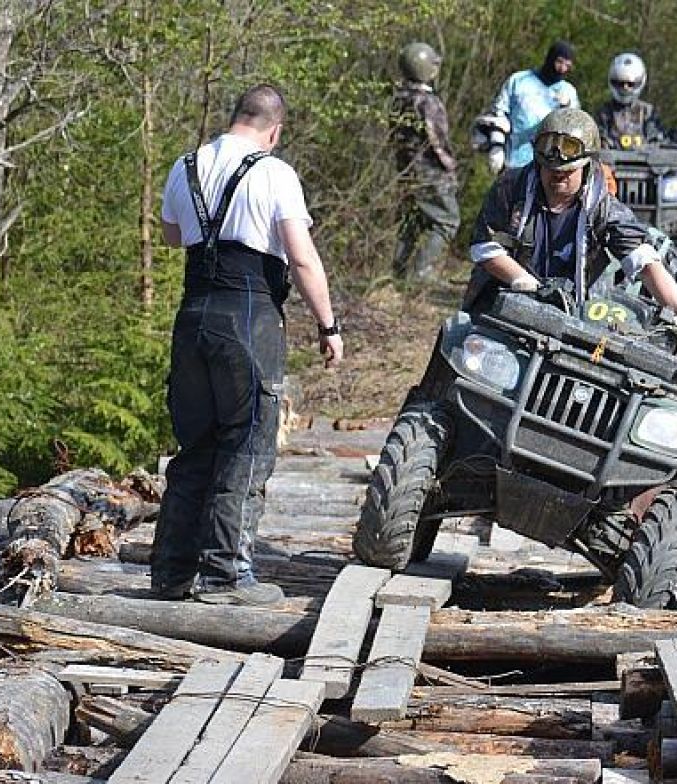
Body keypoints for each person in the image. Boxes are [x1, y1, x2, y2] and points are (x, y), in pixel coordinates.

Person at [153, 84, 344, 607]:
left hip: (192, 316)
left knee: (196, 446)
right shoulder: (275, 173)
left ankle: (170, 573)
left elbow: (173, 236)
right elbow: (301, 259)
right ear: (275, 130)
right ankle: (227, 575)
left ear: (235, 116)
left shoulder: (184, 165)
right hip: (249, 313)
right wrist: (328, 326)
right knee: (248, 443)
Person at [461, 107, 677, 355]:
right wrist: (521, 280)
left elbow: (644, 261)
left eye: (567, 171)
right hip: (503, 300)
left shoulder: (606, 209)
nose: (558, 177)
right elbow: (486, 247)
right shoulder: (511, 187)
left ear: (587, 164)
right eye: (550, 170)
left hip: (572, 311)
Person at [389, 42, 460, 282]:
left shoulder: (398, 99)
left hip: (407, 171)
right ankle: (421, 271)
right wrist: (450, 166)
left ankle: (398, 272)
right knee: (448, 221)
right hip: (430, 172)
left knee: (413, 221)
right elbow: (437, 141)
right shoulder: (427, 102)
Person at [485, 41, 580, 173]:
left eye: (567, 65)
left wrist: (567, 108)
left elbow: (574, 129)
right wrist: (497, 147)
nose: (562, 68)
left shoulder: (568, 92)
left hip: (547, 167)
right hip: (513, 161)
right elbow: (499, 113)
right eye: (559, 62)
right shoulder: (519, 81)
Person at [595, 53, 667, 150]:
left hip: (645, 163)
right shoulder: (604, 112)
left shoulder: (648, 112)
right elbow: (599, 141)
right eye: (621, 83)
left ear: (639, 82)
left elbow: (656, 141)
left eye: (630, 84)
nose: (625, 88)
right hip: (612, 163)